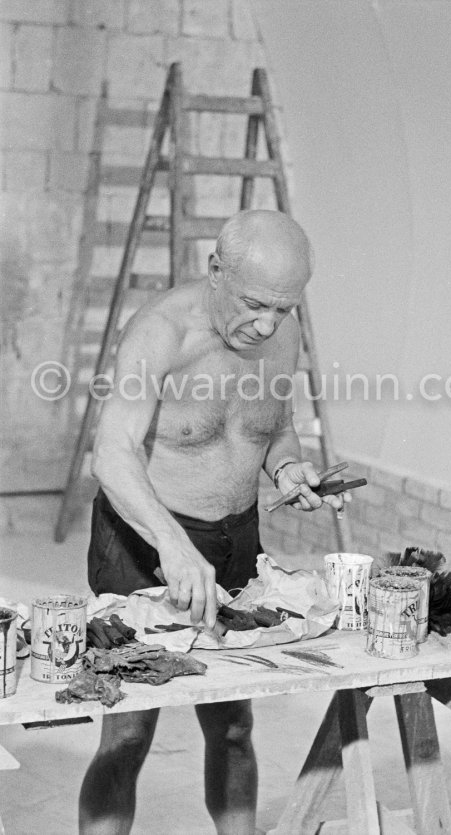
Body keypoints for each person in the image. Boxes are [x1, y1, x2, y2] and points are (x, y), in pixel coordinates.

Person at [79, 209, 350, 835]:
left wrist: (287, 472)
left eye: (283, 309)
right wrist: (171, 546)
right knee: (128, 728)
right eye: (256, 304)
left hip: (235, 544)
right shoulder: (160, 333)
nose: (267, 324)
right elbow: (111, 453)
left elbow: (271, 426)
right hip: (145, 539)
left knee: (232, 725)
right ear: (215, 271)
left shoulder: (277, 333)